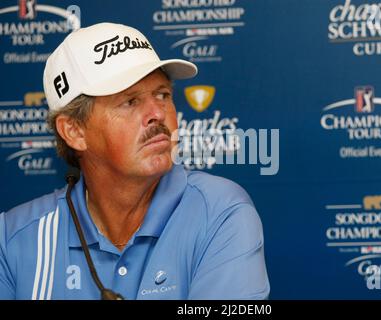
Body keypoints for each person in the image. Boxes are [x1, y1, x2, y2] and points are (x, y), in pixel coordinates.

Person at [0, 23, 270, 300]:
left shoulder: (220, 212)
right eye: (130, 101)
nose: (158, 113)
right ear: (75, 131)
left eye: (163, 95)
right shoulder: (12, 239)